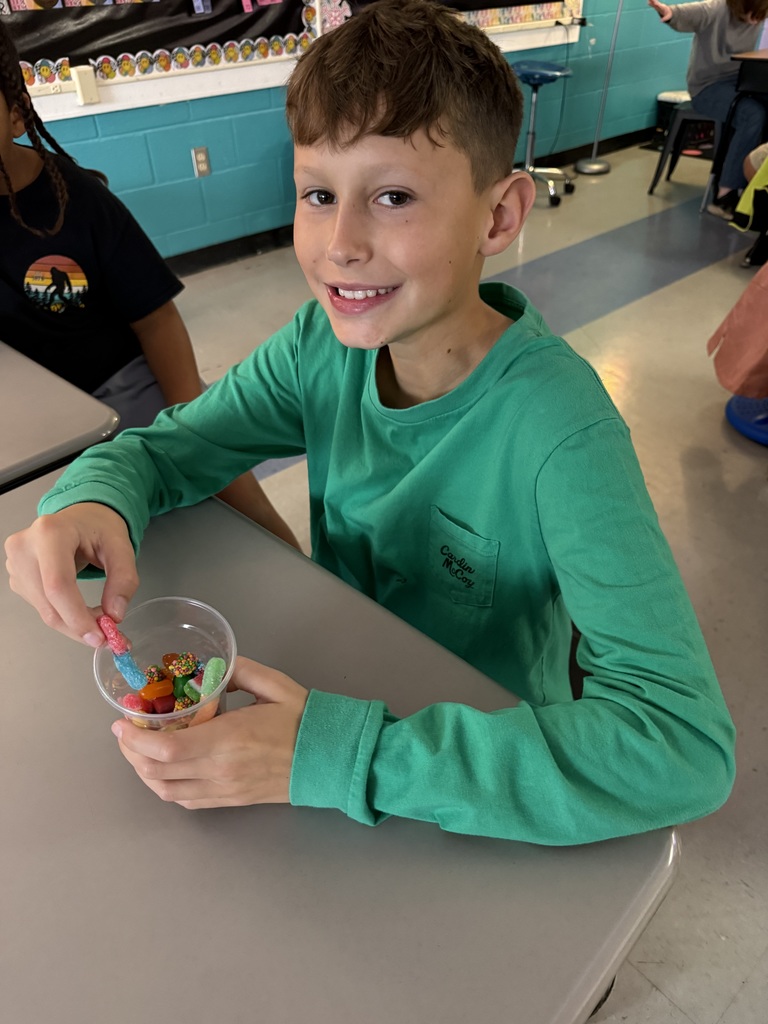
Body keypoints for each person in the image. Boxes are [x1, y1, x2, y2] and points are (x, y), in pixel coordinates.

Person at [5, 0, 735, 846]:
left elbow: (682, 743)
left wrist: (342, 757)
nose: (339, 244)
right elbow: (178, 446)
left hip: (486, 772)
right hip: (342, 696)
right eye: (319, 193)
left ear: (498, 217)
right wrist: (91, 496)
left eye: (392, 196)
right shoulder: (323, 345)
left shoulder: (561, 432)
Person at [0, 20, 300, 548]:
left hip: (122, 388)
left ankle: (300, 565)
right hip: (32, 409)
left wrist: (187, 417)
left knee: (226, 503)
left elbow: (157, 317)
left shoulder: (76, 199)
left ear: (16, 111)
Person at [648, 0, 768, 219]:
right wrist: (668, 12)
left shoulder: (760, 11)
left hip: (743, 81)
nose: (756, 22)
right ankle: (725, 194)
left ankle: (759, 186)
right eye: (754, 15)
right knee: (753, 115)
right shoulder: (715, 9)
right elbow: (682, 15)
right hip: (708, 87)